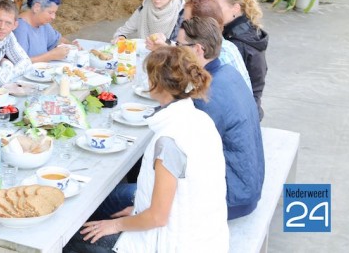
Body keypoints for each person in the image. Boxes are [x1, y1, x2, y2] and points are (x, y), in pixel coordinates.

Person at [65, 45, 228, 252]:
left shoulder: (169, 141)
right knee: (112, 201)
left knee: (73, 240)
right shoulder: (201, 119)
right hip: (205, 233)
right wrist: (137, 211)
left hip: (173, 243)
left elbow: (158, 217)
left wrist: (115, 225)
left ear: (157, 84)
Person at [177, 16, 265, 220]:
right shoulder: (228, 72)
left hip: (230, 199)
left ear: (198, 49)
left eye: (180, 45)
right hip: (246, 185)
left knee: (118, 197)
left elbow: (183, 153)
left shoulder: (205, 97)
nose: (175, 50)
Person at [146, 0, 252, 92]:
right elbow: (189, 50)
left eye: (187, 21)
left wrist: (166, 52)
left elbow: (188, 86)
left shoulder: (219, 58)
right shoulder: (224, 45)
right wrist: (167, 45)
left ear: (200, 25)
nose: (182, 24)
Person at [212, 0, 269, 120]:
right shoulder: (245, 28)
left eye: (217, 7)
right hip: (250, 106)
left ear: (236, 8)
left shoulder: (236, 42)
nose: (212, 12)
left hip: (242, 113)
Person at [13, 0, 79, 62]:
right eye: (50, 12)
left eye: (54, 13)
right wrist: (51, 55)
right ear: (37, 8)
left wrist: (72, 46)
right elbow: (20, 62)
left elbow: (57, 39)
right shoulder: (20, 28)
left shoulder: (43, 24)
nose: (53, 17)